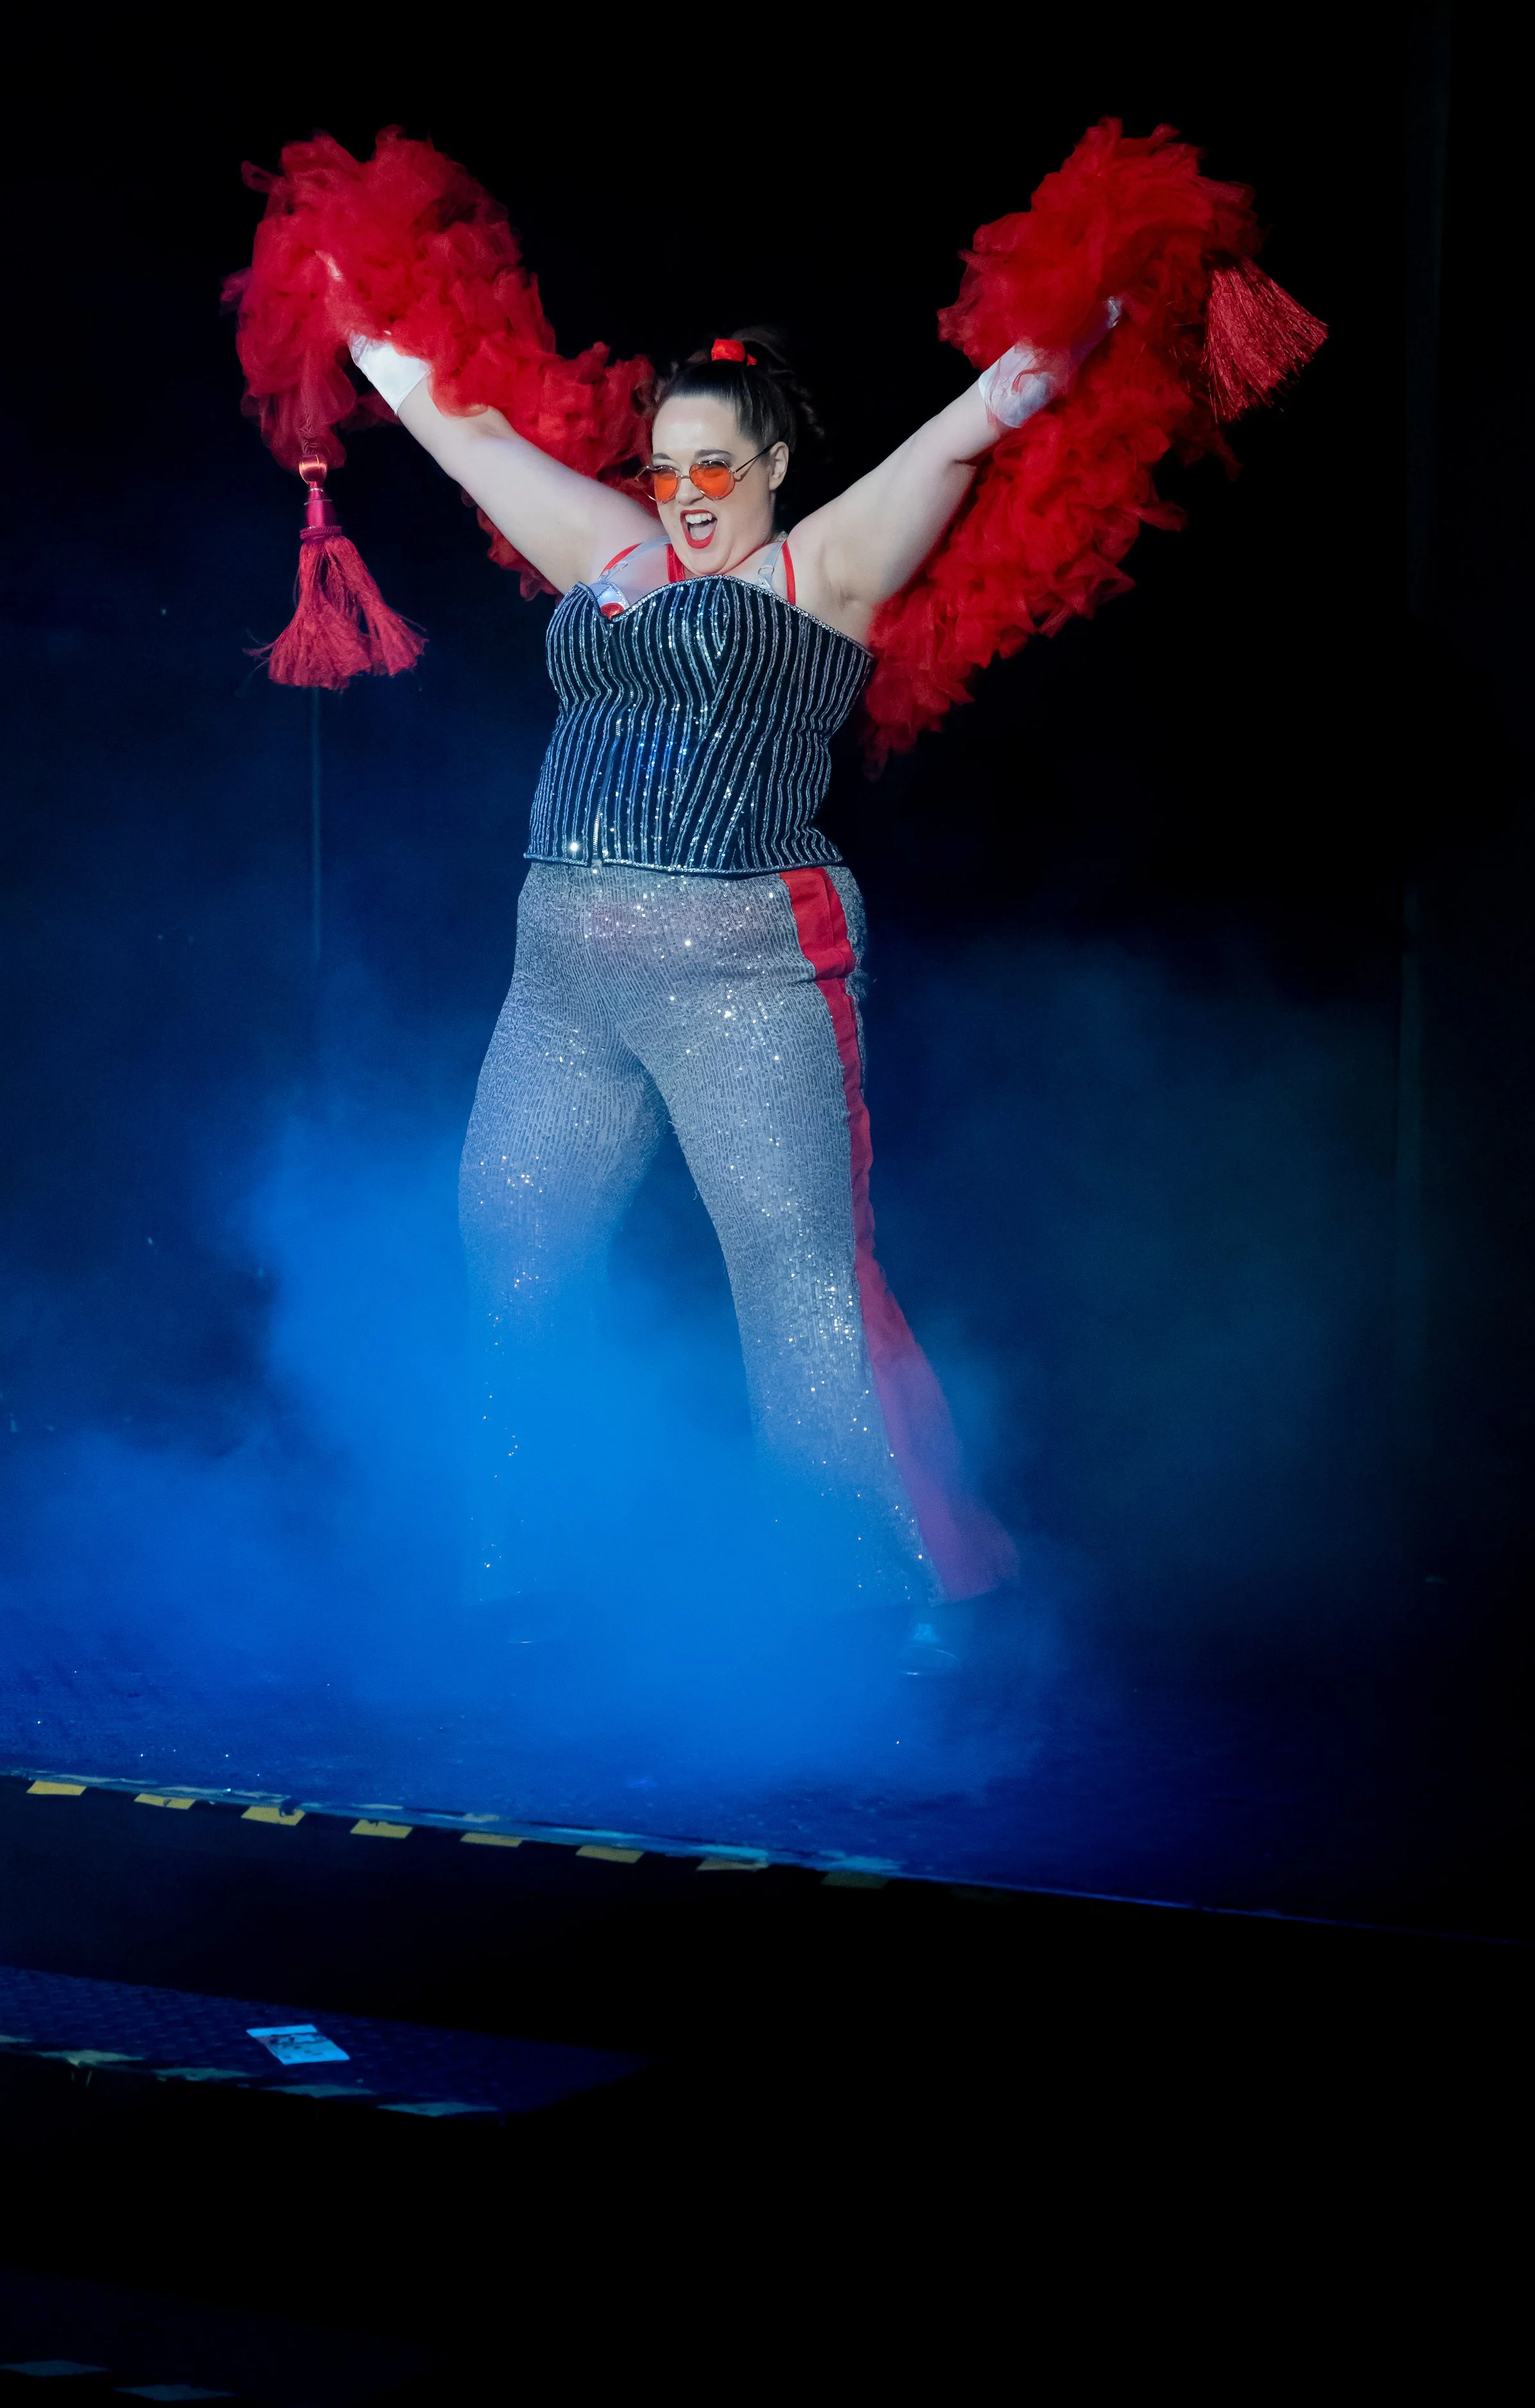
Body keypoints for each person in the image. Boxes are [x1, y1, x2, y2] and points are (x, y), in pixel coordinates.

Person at [340, 318, 1074, 1634]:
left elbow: (968, 428)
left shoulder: (822, 568)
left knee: (798, 1282)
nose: (682, 497)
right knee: (511, 1248)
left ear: (773, 464)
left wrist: (1077, 324)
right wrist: (348, 318)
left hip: (746, 970)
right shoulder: (611, 556)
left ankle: (892, 1593)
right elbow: (470, 440)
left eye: (713, 469)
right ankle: (521, 1577)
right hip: (558, 977)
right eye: (664, 468)